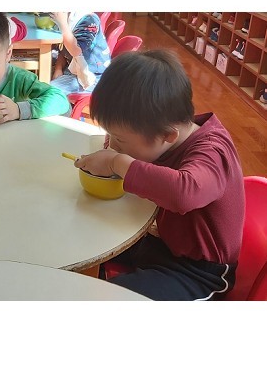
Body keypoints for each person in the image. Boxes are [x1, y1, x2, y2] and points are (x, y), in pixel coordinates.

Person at [74, 50, 244, 301]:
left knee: (107, 299)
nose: (113, 146)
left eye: (120, 140)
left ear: (168, 136)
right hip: (159, 243)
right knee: (81, 237)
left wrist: (116, 162)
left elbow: (183, 192)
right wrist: (116, 150)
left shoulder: (213, 151)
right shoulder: (159, 134)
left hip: (198, 272)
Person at [48, 12, 111, 96]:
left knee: (47, 91)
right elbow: (63, 49)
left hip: (91, 77)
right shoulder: (67, 16)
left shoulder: (89, 20)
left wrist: (63, 24)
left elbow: (76, 50)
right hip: (72, 69)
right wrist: (58, 69)